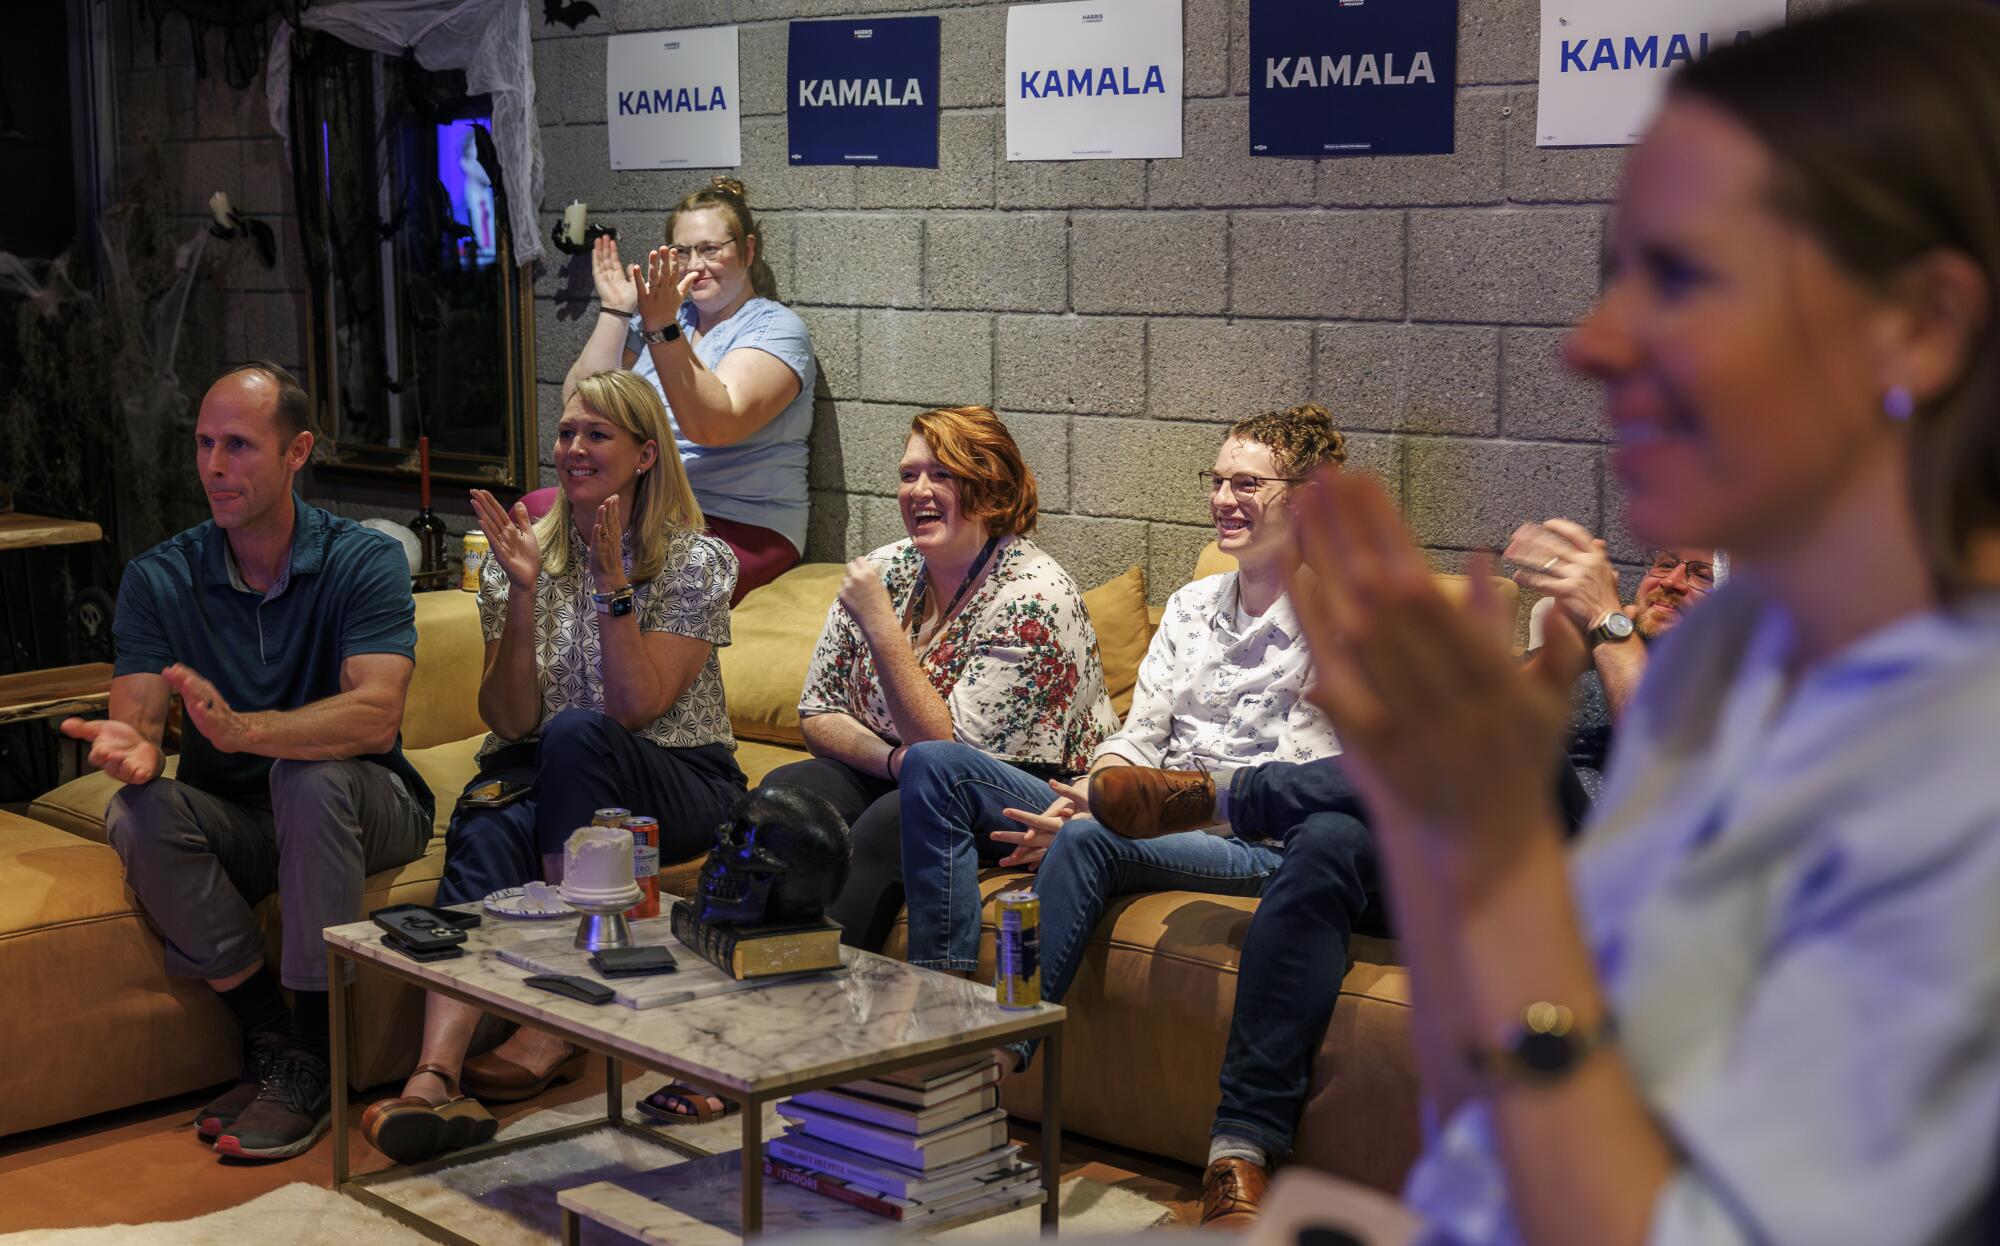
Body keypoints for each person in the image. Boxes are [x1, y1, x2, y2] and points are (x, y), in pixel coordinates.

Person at [1278, 5, 2000, 1243]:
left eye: (1681, 277)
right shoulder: (1729, 651)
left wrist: (1498, 849)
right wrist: (1437, 824)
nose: (1593, 345)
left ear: (1918, 327)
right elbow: (1504, 1107)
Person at [894, 406, 1349, 1219]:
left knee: (1096, 839)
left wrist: (1113, 816)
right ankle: (943, 1026)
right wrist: (1093, 790)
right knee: (935, 766)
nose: (1223, 499)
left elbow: (1285, 787)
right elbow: (1137, 736)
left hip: (1249, 842)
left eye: (1247, 483)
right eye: (1217, 481)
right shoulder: (1191, 604)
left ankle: (977, 1078)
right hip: (1131, 810)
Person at [359, 369, 747, 1163]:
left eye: (596, 434)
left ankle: (556, 1018)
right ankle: (435, 1073)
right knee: (489, 820)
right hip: (552, 771)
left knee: (576, 734)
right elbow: (507, 719)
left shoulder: (698, 560)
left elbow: (637, 709)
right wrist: (528, 596)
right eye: (567, 433)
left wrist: (612, 590)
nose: (573, 448)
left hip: (678, 781)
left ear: (644, 455)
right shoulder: (518, 557)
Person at [60, 362, 435, 1162]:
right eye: (203, 445)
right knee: (138, 812)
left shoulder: (359, 559)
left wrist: (246, 732)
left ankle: (316, 1043)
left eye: (238, 445)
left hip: (369, 806)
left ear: (297, 450)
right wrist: (129, 750)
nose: (215, 466)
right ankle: (273, 1034)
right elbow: (138, 719)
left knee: (309, 773)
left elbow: (376, 716)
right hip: (238, 817)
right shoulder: (160, 577)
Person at [568, 177, 813, 602]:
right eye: (682, 252)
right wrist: (616, 309)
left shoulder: (775, 327)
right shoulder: (664, 315)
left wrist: (661, 327)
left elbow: (713, 426)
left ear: (748, 251)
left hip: (741, 522)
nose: (695, 264)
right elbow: (578, 407)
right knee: (535, 515)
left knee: (642, 579)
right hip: (648, 510)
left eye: (711, 249)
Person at [1505, 524, 1718, 795]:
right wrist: (1555, 664)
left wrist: (1605, 615)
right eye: (1666, 564)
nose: (1670, 581)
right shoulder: (1600, 640)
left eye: (1703, 576)